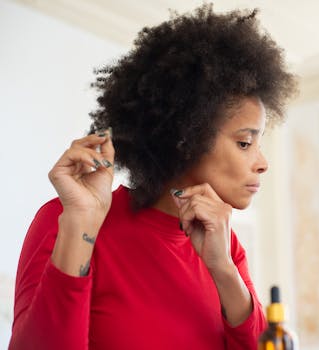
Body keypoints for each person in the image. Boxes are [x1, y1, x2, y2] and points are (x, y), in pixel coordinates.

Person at [9, 4, 297, 349]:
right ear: (186, 138)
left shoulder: (224, 244)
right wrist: (81, 225)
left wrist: (223, 270)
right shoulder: (65, 222)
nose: (262, 162)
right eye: (245, 142)